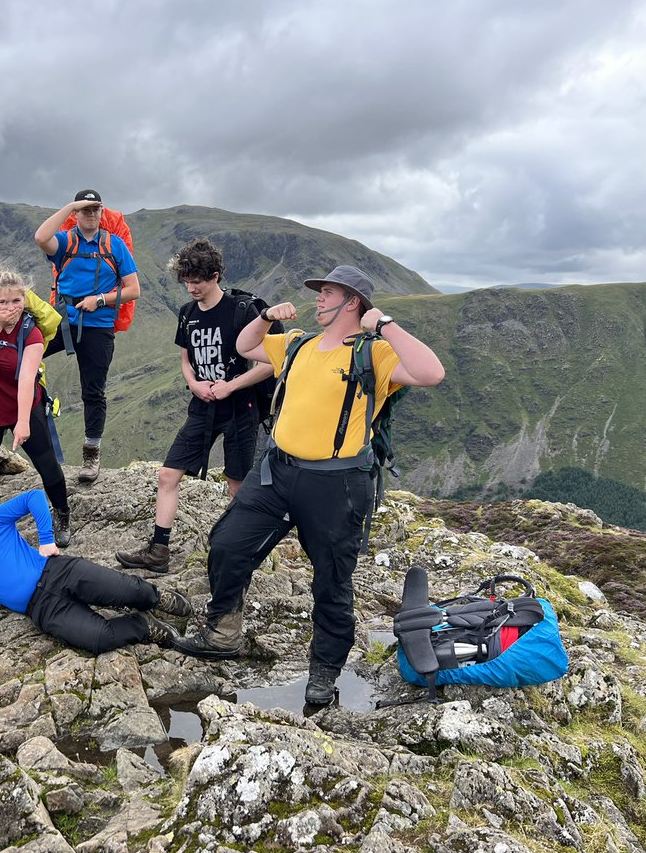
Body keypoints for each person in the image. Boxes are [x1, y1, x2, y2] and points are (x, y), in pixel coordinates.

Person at [174, 266, 445, 706]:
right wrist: (264, 318)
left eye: (328, 293)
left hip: (336, 486)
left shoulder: (373, 354)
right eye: (319, 292)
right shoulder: (298, 343)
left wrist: (386, 325)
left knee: (332, 581)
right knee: (227, 543)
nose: (318, 299)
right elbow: (245, 346)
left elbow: (431, 372)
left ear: (352, 301)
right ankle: (223, 633)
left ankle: (323, 671)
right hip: (276, 472)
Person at [116, 239, 273, 573]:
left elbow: (272, 362)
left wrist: (231, 385)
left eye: (197, 281)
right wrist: (193, 383)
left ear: (214, 276)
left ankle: (243, 552)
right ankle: (159, 551)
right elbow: (186, 357)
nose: (191, 288)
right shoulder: (187, 314)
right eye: (186, 281)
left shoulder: (243, 312)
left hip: (241, 408)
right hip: (202, 406)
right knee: (168, 474)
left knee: (237, 485)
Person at [0, 491, 193, 654]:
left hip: (58, 571)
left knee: (129, 590)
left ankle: (156, 598)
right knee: (97, 640)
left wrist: (46, 539)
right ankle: (143, 626)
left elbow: (32, 497)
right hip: (42, 609)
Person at [0, 266, 71, 546]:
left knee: (46, 463)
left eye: (16, 301)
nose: (10, 307)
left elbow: (27, 379)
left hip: (24, 405)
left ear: (25, 300)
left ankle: (62, 513)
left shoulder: (31, 333)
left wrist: (22, 422)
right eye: (3, 302)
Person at [34, 188, 140, 483]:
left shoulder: (115, 245)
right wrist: (70, 205)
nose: (91, 214)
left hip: (98, 326)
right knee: (20, 359)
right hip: (62, 322)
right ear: (76, 214)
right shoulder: (66, 242)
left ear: (102, 213)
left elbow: (133, 289)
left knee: (93, 392)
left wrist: (101, 300)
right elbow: (41, 238)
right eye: (85, 209)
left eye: (95, 209)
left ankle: (91, 455)